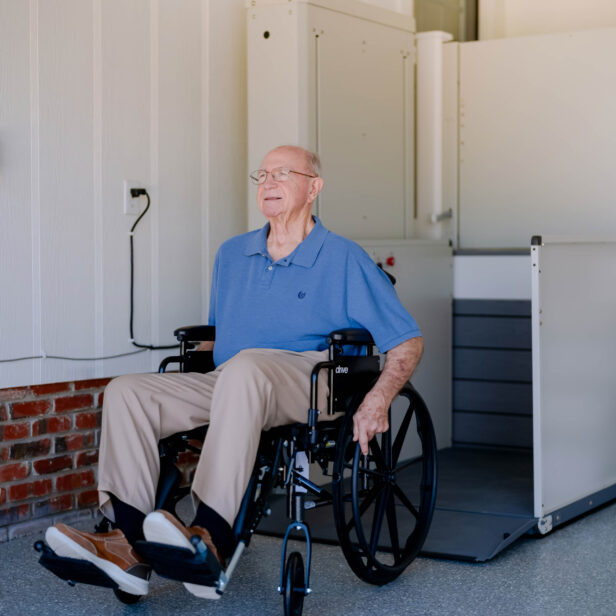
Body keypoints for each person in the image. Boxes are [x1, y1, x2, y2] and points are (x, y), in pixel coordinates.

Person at [44, 145, 424, 600]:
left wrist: (377, 399)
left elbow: (406, 340)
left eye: (283, 173)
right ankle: (127, 543)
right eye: (262, 175)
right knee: (128, 390)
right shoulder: (232, 254)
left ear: (314, 188)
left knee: (246, 369)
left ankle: (212, 534)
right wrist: (187, 373)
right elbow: (221, 337)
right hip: (233, 378)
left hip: (311, 379)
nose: (268, 183)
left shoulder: (343, 257)